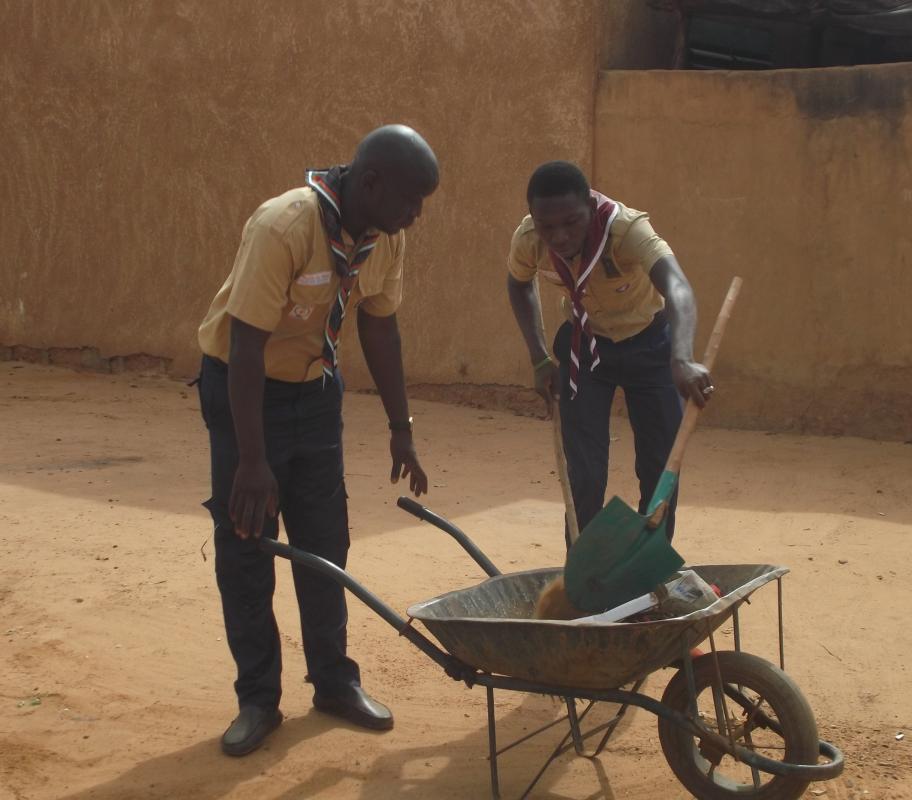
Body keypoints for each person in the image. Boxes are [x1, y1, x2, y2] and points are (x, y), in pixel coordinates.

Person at [196, 124, 438, 756]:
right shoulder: (283, 226)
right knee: (249, 543)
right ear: (372, 182)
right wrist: (251, 460)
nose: (416, 215)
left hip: (314, 390)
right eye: (411, 200)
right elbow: (245, 346)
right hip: (245, 390)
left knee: (325, 542)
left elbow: (380, 327)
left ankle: (334, 683)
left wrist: (401, 428)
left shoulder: (384, 238)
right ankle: (258, 699)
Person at [507, 161, 712, 545]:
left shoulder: (627, 230)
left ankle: (649, 564)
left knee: (661, 469)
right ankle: (584, 569)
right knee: (584, 474)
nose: (560, 237)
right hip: (583, 349)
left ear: (589, 205)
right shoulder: (530, 237)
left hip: (650, 345)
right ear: (534, 217)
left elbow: (678, 286)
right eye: (548, 226)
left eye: (572, 222)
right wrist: (539, 358)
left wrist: (682, 358)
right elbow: (518, 284)